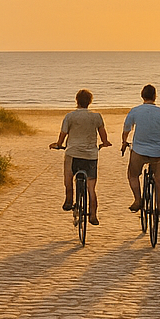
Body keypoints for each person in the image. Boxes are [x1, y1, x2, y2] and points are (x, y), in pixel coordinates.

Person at [49, 89, 110, 224]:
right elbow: (103, 136)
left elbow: (63, 134)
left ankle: (69, 200)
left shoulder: (70, 116)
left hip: (73, 153)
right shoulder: (96, 117)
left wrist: (58, 145)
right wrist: (104, 143)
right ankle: (93, 215)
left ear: (76, 101)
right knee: (91, 188)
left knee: (68, 176)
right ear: (90, 102)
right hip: (91, 155)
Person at [121, 84, 160, 218]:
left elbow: (127, 129)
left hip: (139, 151)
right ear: (155, 96)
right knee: (159, 180)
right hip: (158, 153)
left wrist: (124, 142)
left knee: (133, 175)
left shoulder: (135, 111)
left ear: (142, 96)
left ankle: (137, 200)